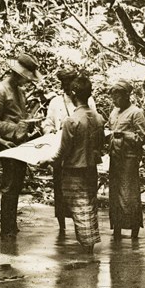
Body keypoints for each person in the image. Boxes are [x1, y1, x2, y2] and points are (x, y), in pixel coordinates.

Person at [42, 75, 105, 253]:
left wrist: (48, 160)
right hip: (91, 169)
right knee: (89, 207)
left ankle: (86, 249)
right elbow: (99, 146)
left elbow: (63, 151)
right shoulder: (99, 118)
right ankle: (90, 248)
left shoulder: (71, 121)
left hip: (73, 170)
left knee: (79, 209)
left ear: (74, 93)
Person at [0, 53, 42, 238]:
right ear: (17, 75)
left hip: (20, 144)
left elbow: (20, 117)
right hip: (8, 144)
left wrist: (28, 125)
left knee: (16, 185)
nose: (27, 82)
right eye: (26, 78)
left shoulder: (20, 91)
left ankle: (11, 224)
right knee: (9, 186)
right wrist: (15, 129)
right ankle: (6, 228)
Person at [108, 79, 145, 239]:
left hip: (129, 159)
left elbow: (143, 137)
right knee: (115, 194)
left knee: (129, 194)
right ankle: (116, 229)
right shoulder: (113, 112)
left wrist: (125, 135)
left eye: (117, 96)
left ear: (126, 96)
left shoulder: (136, 112)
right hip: (115, 157)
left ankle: (134, 231)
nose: (114, 100)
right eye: (113, 97)